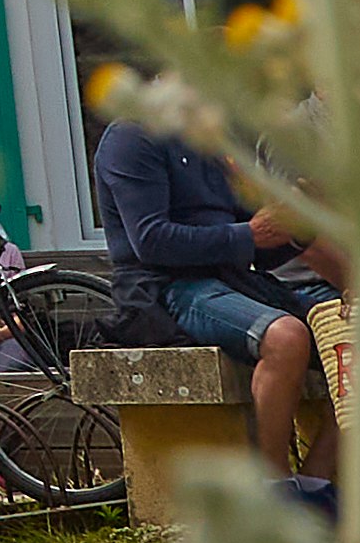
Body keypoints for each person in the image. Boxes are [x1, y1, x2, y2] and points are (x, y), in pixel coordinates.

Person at [96, 88, 334, 474]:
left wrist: (298, 226)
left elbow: (258, 245)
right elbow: (151, 241)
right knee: (286, 338)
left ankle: (317, 483)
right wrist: (250, 234)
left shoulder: (210, 140)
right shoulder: (132, 136)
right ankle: (274, 489)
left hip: (232, 280)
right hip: (167, 287)